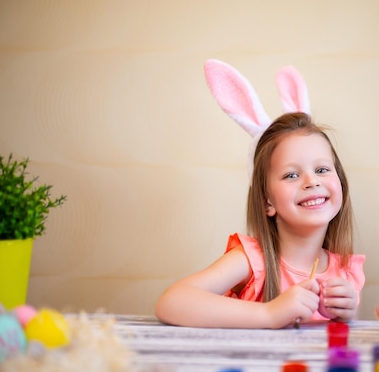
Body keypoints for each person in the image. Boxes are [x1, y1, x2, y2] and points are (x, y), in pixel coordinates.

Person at [155, 112, 365, 328]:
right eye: (291, 175)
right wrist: (269, 313)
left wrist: (348, 313)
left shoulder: (346, 271)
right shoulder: (253, 260)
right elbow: (171, 302)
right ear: (267, 202)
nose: (312, 181)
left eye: (322, 170)